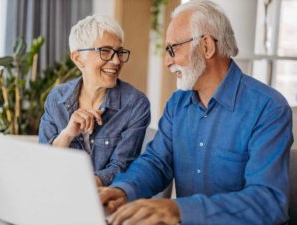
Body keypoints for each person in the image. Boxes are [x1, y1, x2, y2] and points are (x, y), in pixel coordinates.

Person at [100, 1, 294, 224]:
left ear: (206, 46)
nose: (167, 62)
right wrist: (124, 190)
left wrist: (178, 210)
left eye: (173, 49)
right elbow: (156, 162)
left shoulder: (268, 108)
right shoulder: (177, 103)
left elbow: (267, 202)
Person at [39, 15, 150, 187]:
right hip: (56, 194)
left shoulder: (136, 104)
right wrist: (67, 134)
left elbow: (121, 168)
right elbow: (43, 164)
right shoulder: (56, 98)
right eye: (105, 51)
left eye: (119, 52)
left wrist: (81, 188)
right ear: (78, 59)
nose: (116, 61)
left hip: (105, 202)